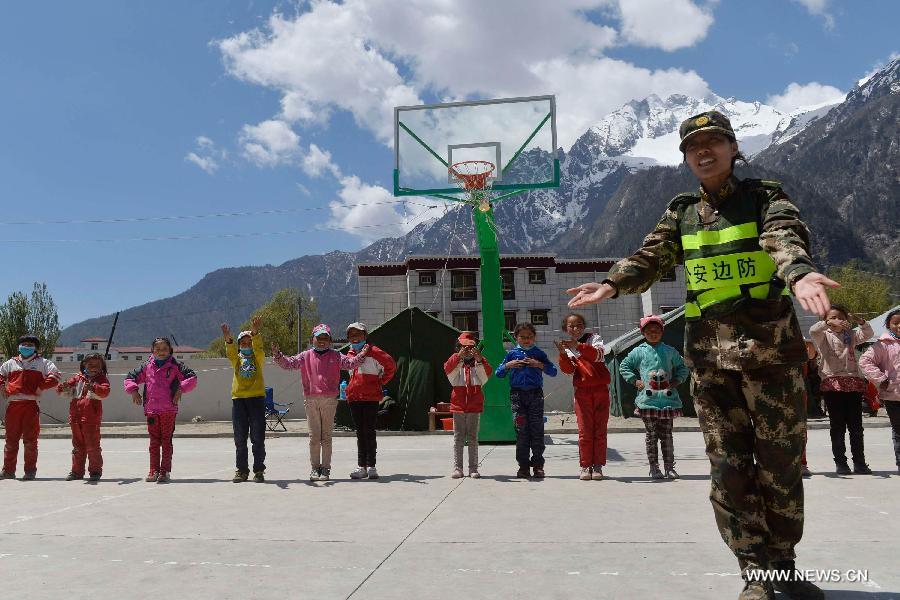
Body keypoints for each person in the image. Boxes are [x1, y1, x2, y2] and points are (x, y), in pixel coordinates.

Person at [567, 111, 835, 600]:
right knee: (729, 471)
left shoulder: (765, 198)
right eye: (694, 147)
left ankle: (783, 566)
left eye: (714, 142)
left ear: (733, 148)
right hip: (710, 363)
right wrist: (610, 284)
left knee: (779, 468)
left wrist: (800, 274)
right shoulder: (682, 211)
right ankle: (754, 574)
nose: (704, 152)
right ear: (687, 158)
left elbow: (784, 238)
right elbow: (651, 256)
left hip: (769, 357)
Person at [272, 323, 370, 481]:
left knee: (326, 437)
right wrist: (278, 356)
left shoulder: (337, 356)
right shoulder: (305, 356)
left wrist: (362, 354)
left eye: (325, 338)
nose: (322, 341)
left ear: (330, 340)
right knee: (314, 437)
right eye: (319, 338)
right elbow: (289, 364)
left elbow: (351, 364)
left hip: (329, 400)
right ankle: (314, 468)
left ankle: (325, 469)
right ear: (312, 339)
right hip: (311, 400)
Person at [619, 315, 689, 480]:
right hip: (647, 402)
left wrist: (677, 381)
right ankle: (654, 467)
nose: (653, 333)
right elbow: (624, 366)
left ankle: (669, 467)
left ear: (662, 332)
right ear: (643, 333)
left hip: (668, 401)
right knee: (651, 435)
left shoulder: (670, 351)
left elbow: (683, 367)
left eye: (657, 330)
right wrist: (635, 381)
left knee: (667, 435)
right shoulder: (638, 351)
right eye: (649, 331)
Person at [809, 305, 874, 475]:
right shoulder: (823, 336)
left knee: (856, 427)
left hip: (853, 382)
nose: (837, 320)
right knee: (837, 426)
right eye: (832, 317)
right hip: (832, 383)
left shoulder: (851, 334)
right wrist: (828, 323)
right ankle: (841, 462)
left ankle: (860, 462)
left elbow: (868, 334)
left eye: (840, 317)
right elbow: (813, 330)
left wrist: (859, 321)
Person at [124, 337, 198, 483]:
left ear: (170, 350)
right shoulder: (146, 366)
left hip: (168, 410)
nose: (161, 352)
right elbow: (130, 377)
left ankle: (164, 471)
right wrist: (133, 391)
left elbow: (192, 378)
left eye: (164, 349)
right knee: (153, 442)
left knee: (166, 441)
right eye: (157, 349)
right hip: (151, 410)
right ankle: (153, 470)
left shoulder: (176, 365)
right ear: (152, 351)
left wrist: (180, 389)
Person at [495, 322, 557, 479]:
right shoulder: (512, 354)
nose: (526, 339)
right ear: (516, 337)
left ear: (534, 337)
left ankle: (537, 465)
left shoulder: (538, 353)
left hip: (535, 395)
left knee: (537, 431)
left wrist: (539, 365)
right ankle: (523, 466)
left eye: (529, 337)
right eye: (522, 337)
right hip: (517, 396)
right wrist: (509, 365)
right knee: (521, 430)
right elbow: (498, 373)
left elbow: (553, 371)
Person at [554, 313, 610, 481]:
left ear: (584, 326)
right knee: (585, 430)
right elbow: (568, 370)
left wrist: (579, 346)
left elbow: (599, 355)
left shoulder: (594, 339)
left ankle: (598, 465)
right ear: (566, 329)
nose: (575, 328)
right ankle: (586, 465)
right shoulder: (567, 347)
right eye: (571, 326)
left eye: (579, 325)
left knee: (600, 430)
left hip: (601, 390)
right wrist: (563, 354)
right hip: (582, 392)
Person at [0, 334, 60, 480]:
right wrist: (2, 387)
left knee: (30, 440)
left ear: (36, 348)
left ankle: (30, 471)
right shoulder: (10, 363)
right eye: (24, 344)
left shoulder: (43, 362)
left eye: (30, 345)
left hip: (31, 405)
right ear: (18, 347)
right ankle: (8, 471)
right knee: (11, 440)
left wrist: (41, 386)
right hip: (13, 405)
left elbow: (56, 376)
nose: (26, 347)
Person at [344, 322, 396, 480]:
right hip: (354, 397)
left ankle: (372, 466)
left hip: (371, 397)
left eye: (358, 334)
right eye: (351, 335)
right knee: (360, 433)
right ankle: (362, 467)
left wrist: (380, 382)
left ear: (365, 335)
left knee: (369, 432)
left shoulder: (374, 351)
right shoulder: (350, 353)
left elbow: (391, 365)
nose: (355, 337)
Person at [222, 316, 267, 483]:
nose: (247, 346)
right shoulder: (236, 360)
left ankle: (259, 470)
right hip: (239, 400)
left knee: (257, 437)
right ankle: (242, 470)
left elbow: (260, 347)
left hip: (256, 400)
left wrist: (254, 332)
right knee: (240, 438)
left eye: (249, 343)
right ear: (240, 345)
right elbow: (231, 351)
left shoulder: (258, 358)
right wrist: (228, 338)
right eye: (244, 344)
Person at [444, 332, 491, 479]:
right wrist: (459, 356)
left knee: (472, 438)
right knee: (458, 438)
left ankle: (473, 468)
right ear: (458, 347)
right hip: (458, 406)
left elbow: (487, 375)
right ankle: (458, 468)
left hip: (474, 406)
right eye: (463, 347)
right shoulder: (456, 362)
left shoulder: (480, 362)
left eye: (470, 347)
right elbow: (447, 368)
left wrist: (479, 360)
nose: (467, 350)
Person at [859, 308, 900, 473]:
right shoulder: (882, 345)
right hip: (893, 396)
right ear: (889, 325)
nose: (899, 326)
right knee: (899, 431)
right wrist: (881, 379)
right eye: (896, 323)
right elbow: (865, 361)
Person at [58, 353, 110, 481]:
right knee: (77, 447)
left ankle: (95, 471)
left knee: (93, 446)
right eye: (90, 364)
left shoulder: (101, 379)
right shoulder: (78, 378)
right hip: (75, 418)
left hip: (91, 419)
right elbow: (62, 390)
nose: (93, 367)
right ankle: (77, 471)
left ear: (102, 366)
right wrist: (63, 386)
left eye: (97, 365)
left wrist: (93, 387)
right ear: (84, 365)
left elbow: (105, 392)